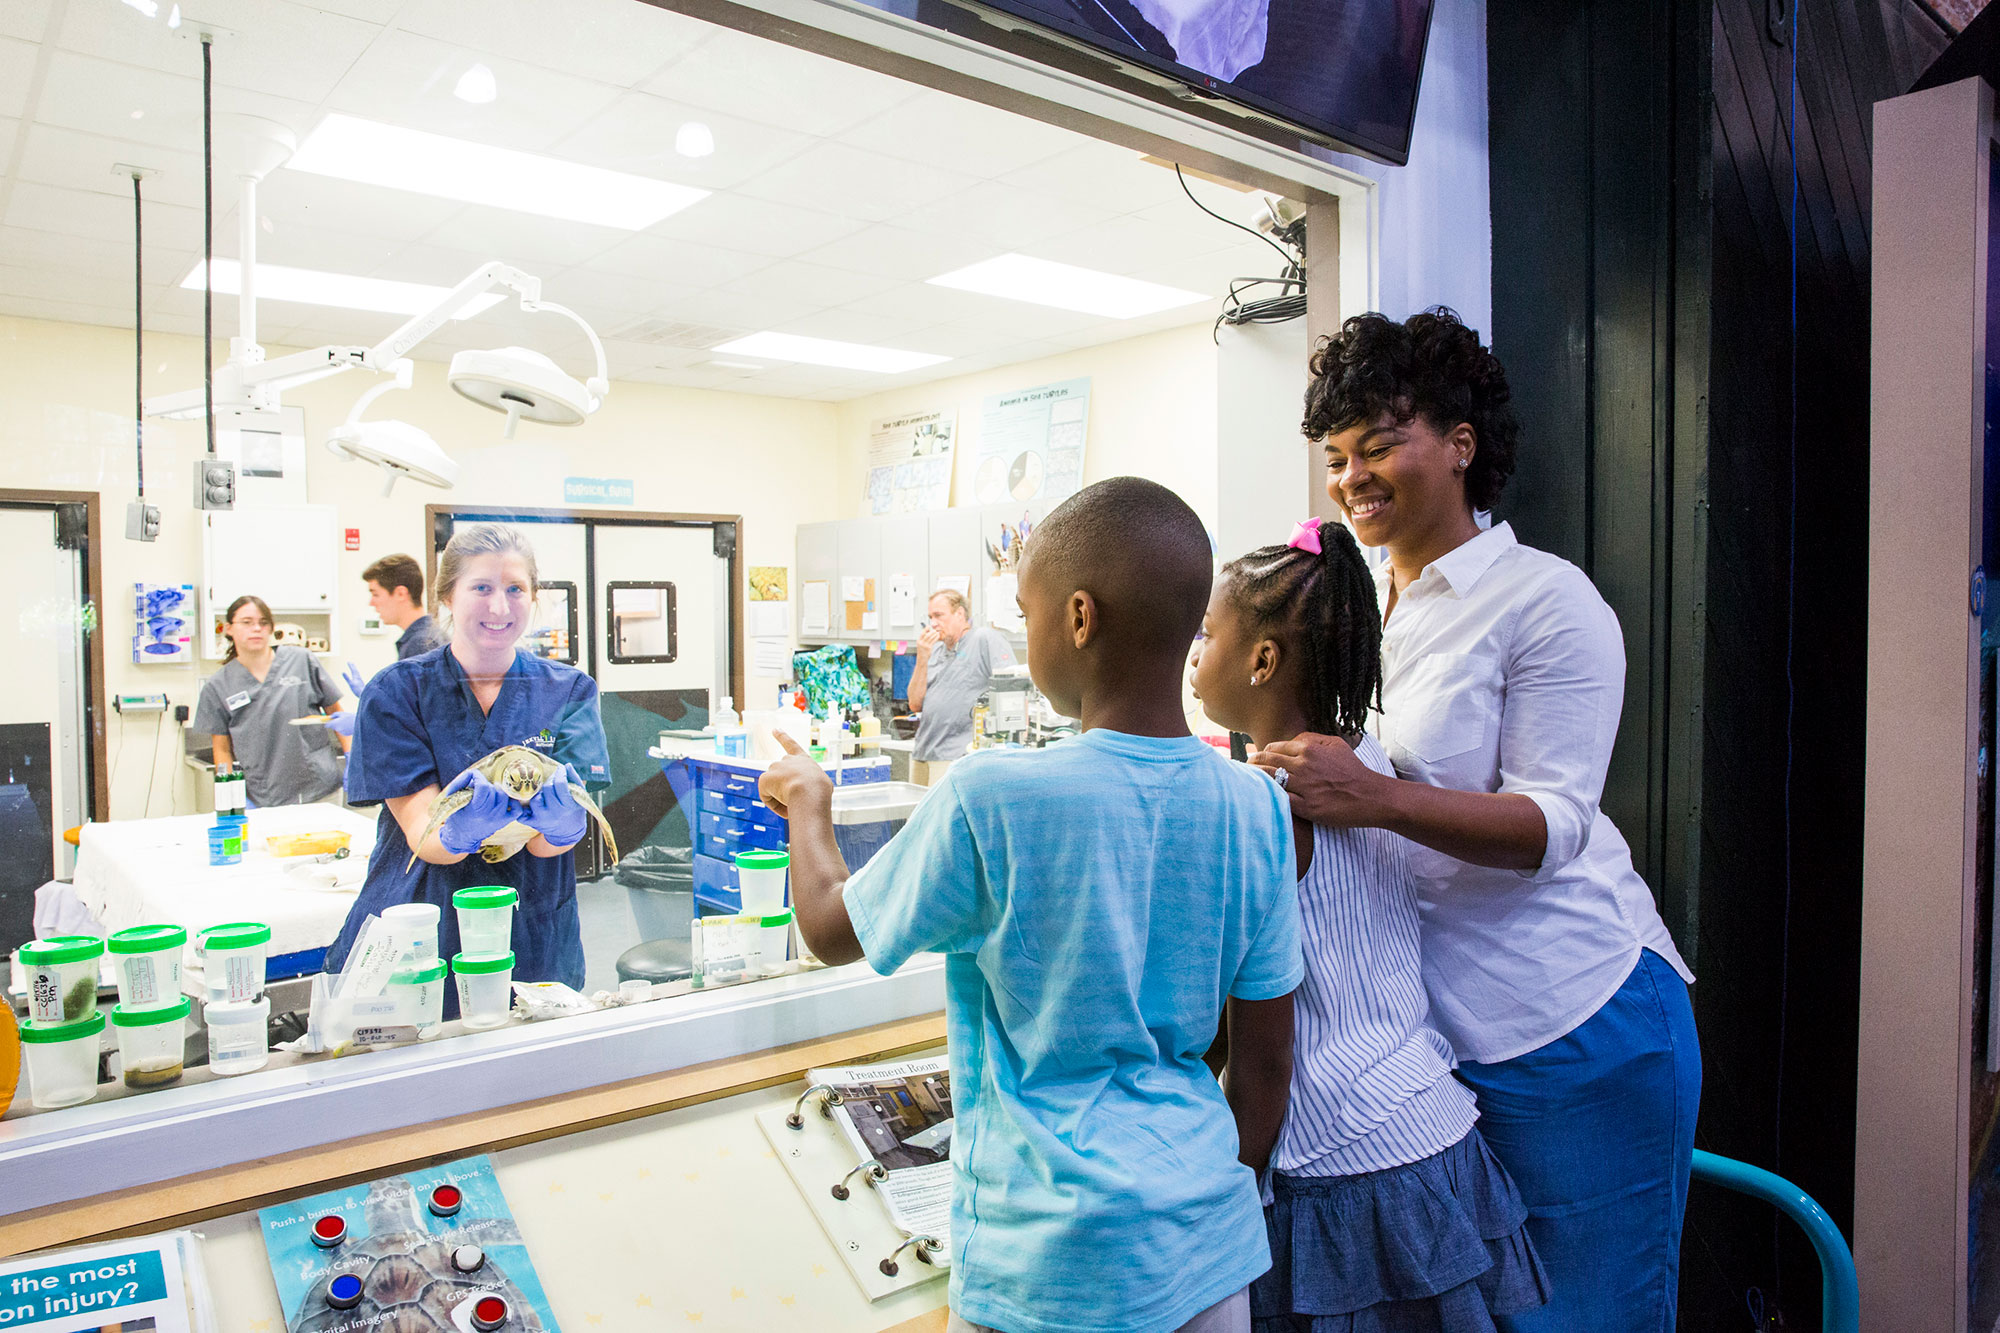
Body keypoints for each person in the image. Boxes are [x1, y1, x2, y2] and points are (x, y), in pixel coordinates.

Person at [760, 477, 1301, 1333]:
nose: (1025, 634)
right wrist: (1180, 1207)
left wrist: (809, 800)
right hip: (1206, 1251)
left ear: (1079, 618)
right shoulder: (1258, 807)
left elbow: (830, 928)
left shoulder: (995, 797)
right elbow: (1265, 1067)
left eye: (1027, 610)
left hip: (1048, 1260)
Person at [1253, 309, 1700, 1332]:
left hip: (1572, 1016)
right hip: (1439, 1044)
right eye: (1336, 455)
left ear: (1459, 444)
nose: (1351, 474)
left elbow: (1553, 824)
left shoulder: (1545, 600)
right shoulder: (1365, 608)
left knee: (1587, 1314)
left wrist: (1371, 797)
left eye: (1377, 444)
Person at [1192, 520, 1548, 1331]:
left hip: (1338, 1166)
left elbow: (1260, 1048)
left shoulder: (1262, 807)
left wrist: (1226, 1188)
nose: (1193, 653)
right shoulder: (1371, 764)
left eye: (1207, 635)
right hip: (1435, 1134)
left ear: (1263, 659)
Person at [327, 524, 610, 1004]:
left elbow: (548, 847)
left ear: (534, 597)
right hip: (422, 921)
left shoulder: (569, 691)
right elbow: (426, 837)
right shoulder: (398, 692)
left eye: (515, 589)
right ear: (447, 598)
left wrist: (563, 828)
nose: (499, 607)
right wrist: (461, 829)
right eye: (481, 587)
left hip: (531, 927)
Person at [191, 594, 349, 808]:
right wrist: (231, 794)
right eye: (247, 622)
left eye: (263, 623)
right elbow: (222, 749)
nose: (256, 628)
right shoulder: (218, 686)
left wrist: (352, 759)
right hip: (266, 797)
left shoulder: (301, 660)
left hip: (321, 788)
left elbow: (337, 715)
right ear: (229, 628)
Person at [908, 589, 1016, 764]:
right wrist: (922, 658)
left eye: (938, 616)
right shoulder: (934, 650)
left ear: (959, 613)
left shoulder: (984, 639)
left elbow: (1011, 691)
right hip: (924, 751)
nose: (933, 624)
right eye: (930, 617)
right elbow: (914, 704)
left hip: (959, 756)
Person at [364, 553, 441, 662]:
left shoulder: (420, 644)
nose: (371, 603)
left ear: (401, 593)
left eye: (376, 594)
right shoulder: (427, 636)